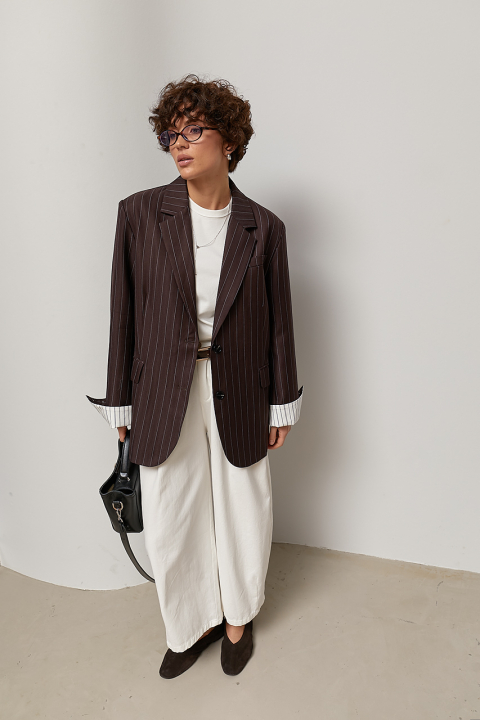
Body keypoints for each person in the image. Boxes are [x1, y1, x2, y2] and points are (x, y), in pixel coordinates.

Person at [87, 73, 303, 679]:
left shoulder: (264, 227)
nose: (178, 144)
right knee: (172, 508)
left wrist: (282, 402)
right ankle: (191, 624)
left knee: (243, 504)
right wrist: (120, 402)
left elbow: (279, 322)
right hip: (162, 387)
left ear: (229, 140)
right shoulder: (139, 214)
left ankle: (238, 618)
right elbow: (123, 314)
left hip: (241, 387)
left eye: (193, 130)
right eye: (170, 135)